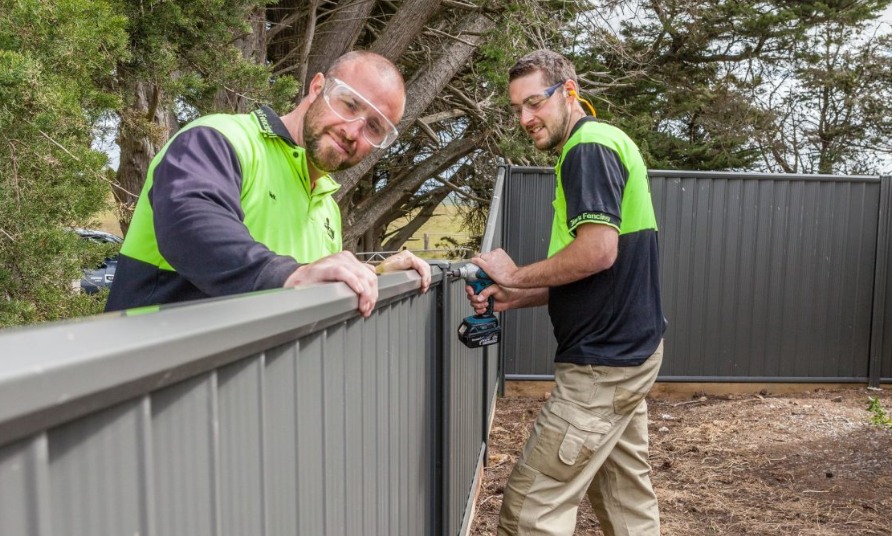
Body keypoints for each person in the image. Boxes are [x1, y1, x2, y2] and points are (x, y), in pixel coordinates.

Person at [467, 50, 666, 535]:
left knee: (529, 510)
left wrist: (514, 275)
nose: (525, 118)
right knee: (625, 498)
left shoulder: (587, 148)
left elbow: (598, 253)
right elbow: (592, 274)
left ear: (569, 92)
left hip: (604, 363)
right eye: (517, 108)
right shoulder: (606, 141)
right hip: (629, 352)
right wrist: (518, 296)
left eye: (534, 102)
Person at [106, 51, 430, 315]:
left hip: (243, 387)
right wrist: (288, 275)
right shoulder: (221, 139)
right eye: (349, 104)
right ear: (317, 87)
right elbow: (188, 224)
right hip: (153, 385)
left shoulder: (326, 207)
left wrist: (378, 277)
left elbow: (310, 284)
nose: (353, 131)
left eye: (374, 127)